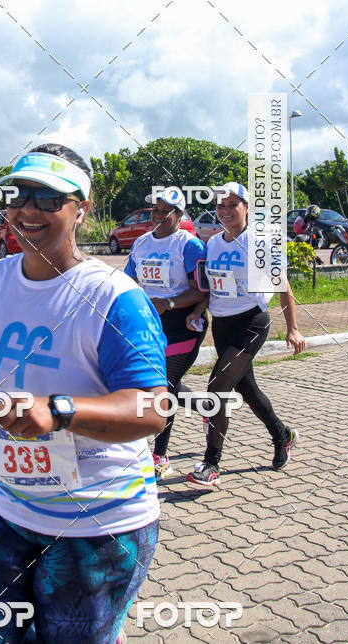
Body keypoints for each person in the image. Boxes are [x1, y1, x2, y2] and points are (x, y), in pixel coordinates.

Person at [0, 144, 168, 643]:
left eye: (48, 198)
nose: (27, 209)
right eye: (18, 195)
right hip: (9, 505)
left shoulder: (114, 297)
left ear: (81, 209)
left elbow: (153, 410)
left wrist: (57, 410)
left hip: (97, 524)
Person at [185, 182, 306, 488]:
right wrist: (197, 311)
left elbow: (283, 285)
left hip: (251, 321)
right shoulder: (213, 243)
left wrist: (292, 328)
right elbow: (211, 286)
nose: (225, 211)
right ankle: (283, 435)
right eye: (220, 206)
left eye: (232, 205)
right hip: (222, 323)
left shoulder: (259, 243)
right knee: (246, 388)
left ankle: (211, 463)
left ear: (247, 208)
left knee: (217, 386)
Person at [124, 186, 208, 480]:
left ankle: (160, 456)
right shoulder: (141, 243)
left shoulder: (190, 245)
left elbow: (202, 290)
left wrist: (169, 303)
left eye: (165, 211)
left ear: (179, 214)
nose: (158, 216)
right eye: (155, 210)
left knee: (165, 387)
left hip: (183, 324)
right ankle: (206, 407)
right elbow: (128, 282)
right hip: (150, 325)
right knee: (160, 383)